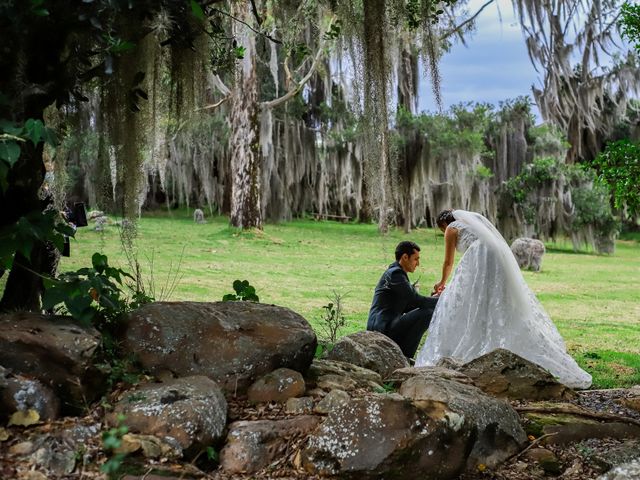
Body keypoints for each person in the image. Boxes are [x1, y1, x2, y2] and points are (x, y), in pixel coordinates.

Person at [415, 209, 592, 389]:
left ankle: (475, 339)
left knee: (469, 300)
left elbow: (448, 261)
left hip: (479, 257)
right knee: (494, 299)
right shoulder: (472, 225)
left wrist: (442, 282)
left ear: (443, 224)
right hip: (496, 257)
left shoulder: (451, 229)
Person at [367, 241, 439, 360]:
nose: (418, 264)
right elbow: (415, 300)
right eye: (416, 259)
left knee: (427, 310)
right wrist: (442, 299)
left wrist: (433, 298)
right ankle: (406, 356)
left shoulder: (395, 272)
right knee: (428, 313)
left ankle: (403, 356)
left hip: (386, 324)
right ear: (405, 257)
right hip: (383, 328)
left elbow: (408, 305)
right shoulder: (396, 274)